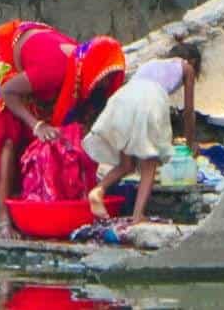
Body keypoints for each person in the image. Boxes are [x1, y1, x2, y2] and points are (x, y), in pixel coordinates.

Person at [0, 20, 126, 239]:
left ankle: (30, 199)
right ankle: (4, 220)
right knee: (8, 136)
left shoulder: (81, 71)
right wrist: (37, 125)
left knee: (58, 139)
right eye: (103, 78)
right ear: (90, 70)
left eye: (109, 79)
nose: (103, 84)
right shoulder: (54, 70)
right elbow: (7, 91)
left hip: (29, 59)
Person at [83, 43, 200, 224]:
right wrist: (190, 142)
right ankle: (138, 216)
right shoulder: (187, 67)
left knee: (127, 165)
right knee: (149, 163)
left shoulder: (151, 64)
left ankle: (98, 190)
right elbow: (189, 110)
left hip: (123, 98)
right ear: (192, 60)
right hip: (149, 100)